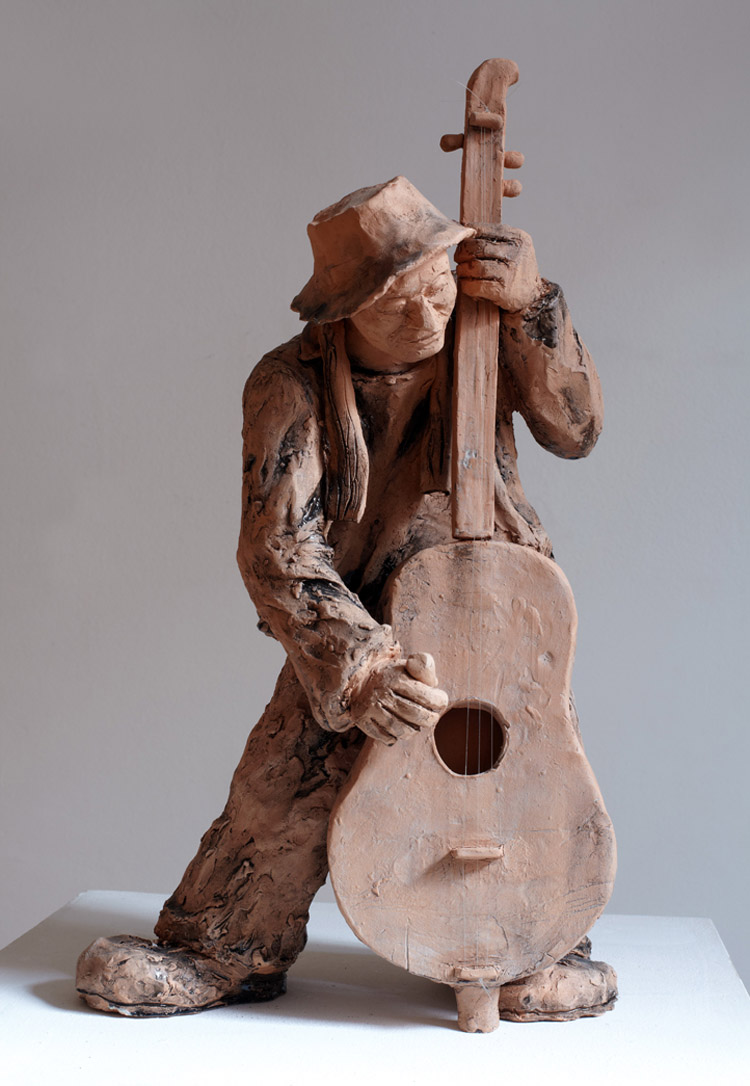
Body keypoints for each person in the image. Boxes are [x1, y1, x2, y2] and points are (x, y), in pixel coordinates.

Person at [76, 176, 616, 1021]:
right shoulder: (288, 382)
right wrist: (361, 667)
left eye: (439, 286)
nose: (428, 313)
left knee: (527, 777)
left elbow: (576, 429)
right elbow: (278, 544)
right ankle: (225, 949)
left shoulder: (481, 338)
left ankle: (538, 946)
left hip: (495, 617)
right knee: (284, 783)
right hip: (360, 620)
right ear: (342, 312)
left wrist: (535, 306)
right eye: (396, 301)